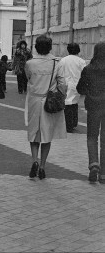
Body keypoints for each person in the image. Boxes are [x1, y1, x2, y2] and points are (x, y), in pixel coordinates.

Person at [24, 35, 66, 179]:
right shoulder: (57, 63)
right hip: (49, 101)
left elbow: (28, 79)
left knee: (34, 133)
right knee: (47, 135)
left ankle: (34, 160)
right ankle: (42, 166)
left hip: (34, 100)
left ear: (36, 47)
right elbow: (62, 84)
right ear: (50, 47)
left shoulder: (30, 63)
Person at [77, 42, 105, 184]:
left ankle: (94, 163)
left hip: (93, 106)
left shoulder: (88, 69)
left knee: (92, 137)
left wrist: (89, 92)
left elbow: (80, 88)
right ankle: (104, 175)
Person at [59, 43, 86, 133]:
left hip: (65, 84)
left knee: (67, 104)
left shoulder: (63, 60)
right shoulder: (81, 61)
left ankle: (68, 124)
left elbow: (60, 73)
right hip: (77, 84)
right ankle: (73, 123)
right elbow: (84, 74)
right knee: (74, 104)